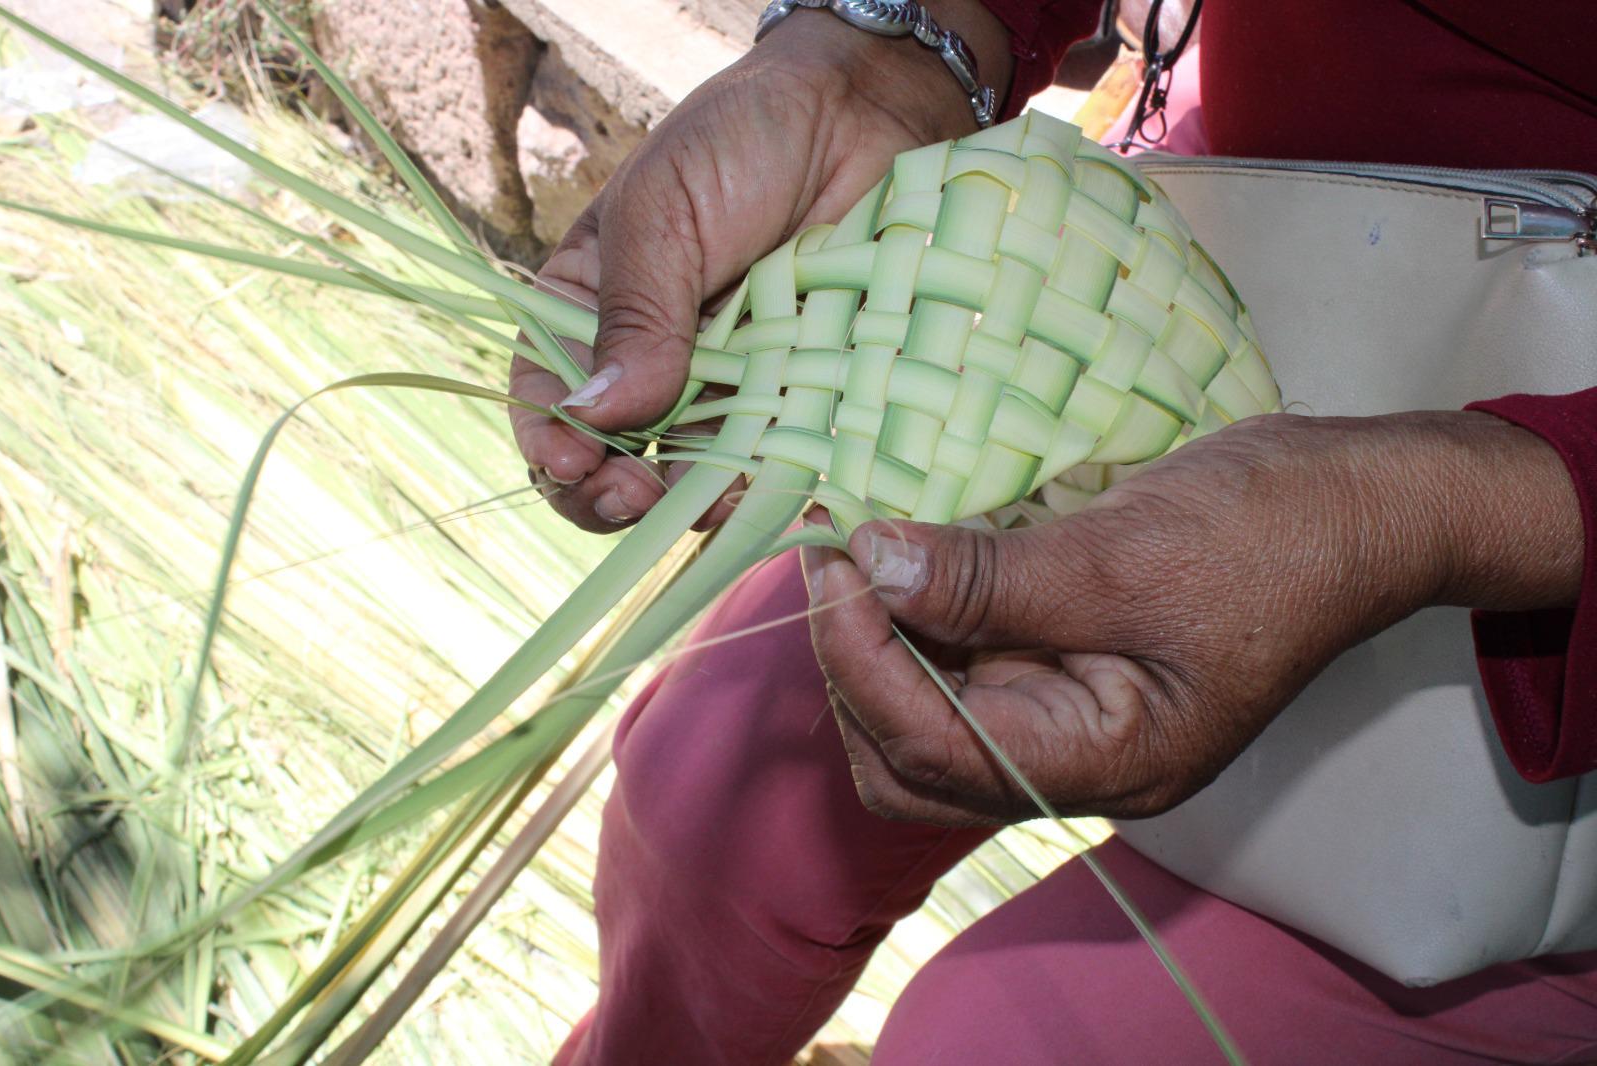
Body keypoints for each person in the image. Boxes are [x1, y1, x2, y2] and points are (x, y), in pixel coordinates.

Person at [510, 1, 1597, 1061]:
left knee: (1004, 1038)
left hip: (1550, 562)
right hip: (1195, 258)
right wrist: (900, 45)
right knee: (705, 803)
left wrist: (1434, 518)